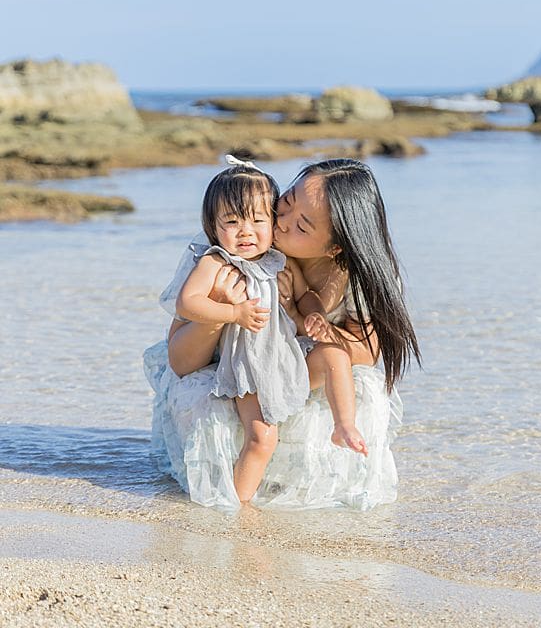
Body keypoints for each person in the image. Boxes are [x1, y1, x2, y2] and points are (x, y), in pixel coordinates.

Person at [145, 158, 420, 510]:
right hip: (231, 366)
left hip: (294, 364)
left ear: (336, 247)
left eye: (301, 226)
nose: (278, 224)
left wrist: (301, 316)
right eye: (285, 204)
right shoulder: (229, 242)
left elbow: (365, 352)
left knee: (355, 376)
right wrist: (223, 312)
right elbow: (181, 360)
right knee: (252, 424)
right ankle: (234, 505)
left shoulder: (353, 271)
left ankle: (340, 434)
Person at [160, 157, 310, 503]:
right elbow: (188, 303)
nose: (246, 230)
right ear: (213, 227)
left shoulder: (278, 261)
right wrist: (233, 312)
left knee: (274, 434)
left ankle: (244, 496)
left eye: (258, 219)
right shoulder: (215, 262)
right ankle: (237, 506)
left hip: (279, 361)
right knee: (262, 437)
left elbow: (302, 301)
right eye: (232, 221)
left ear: (274, 222)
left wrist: (308, 315)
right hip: (248, 363)